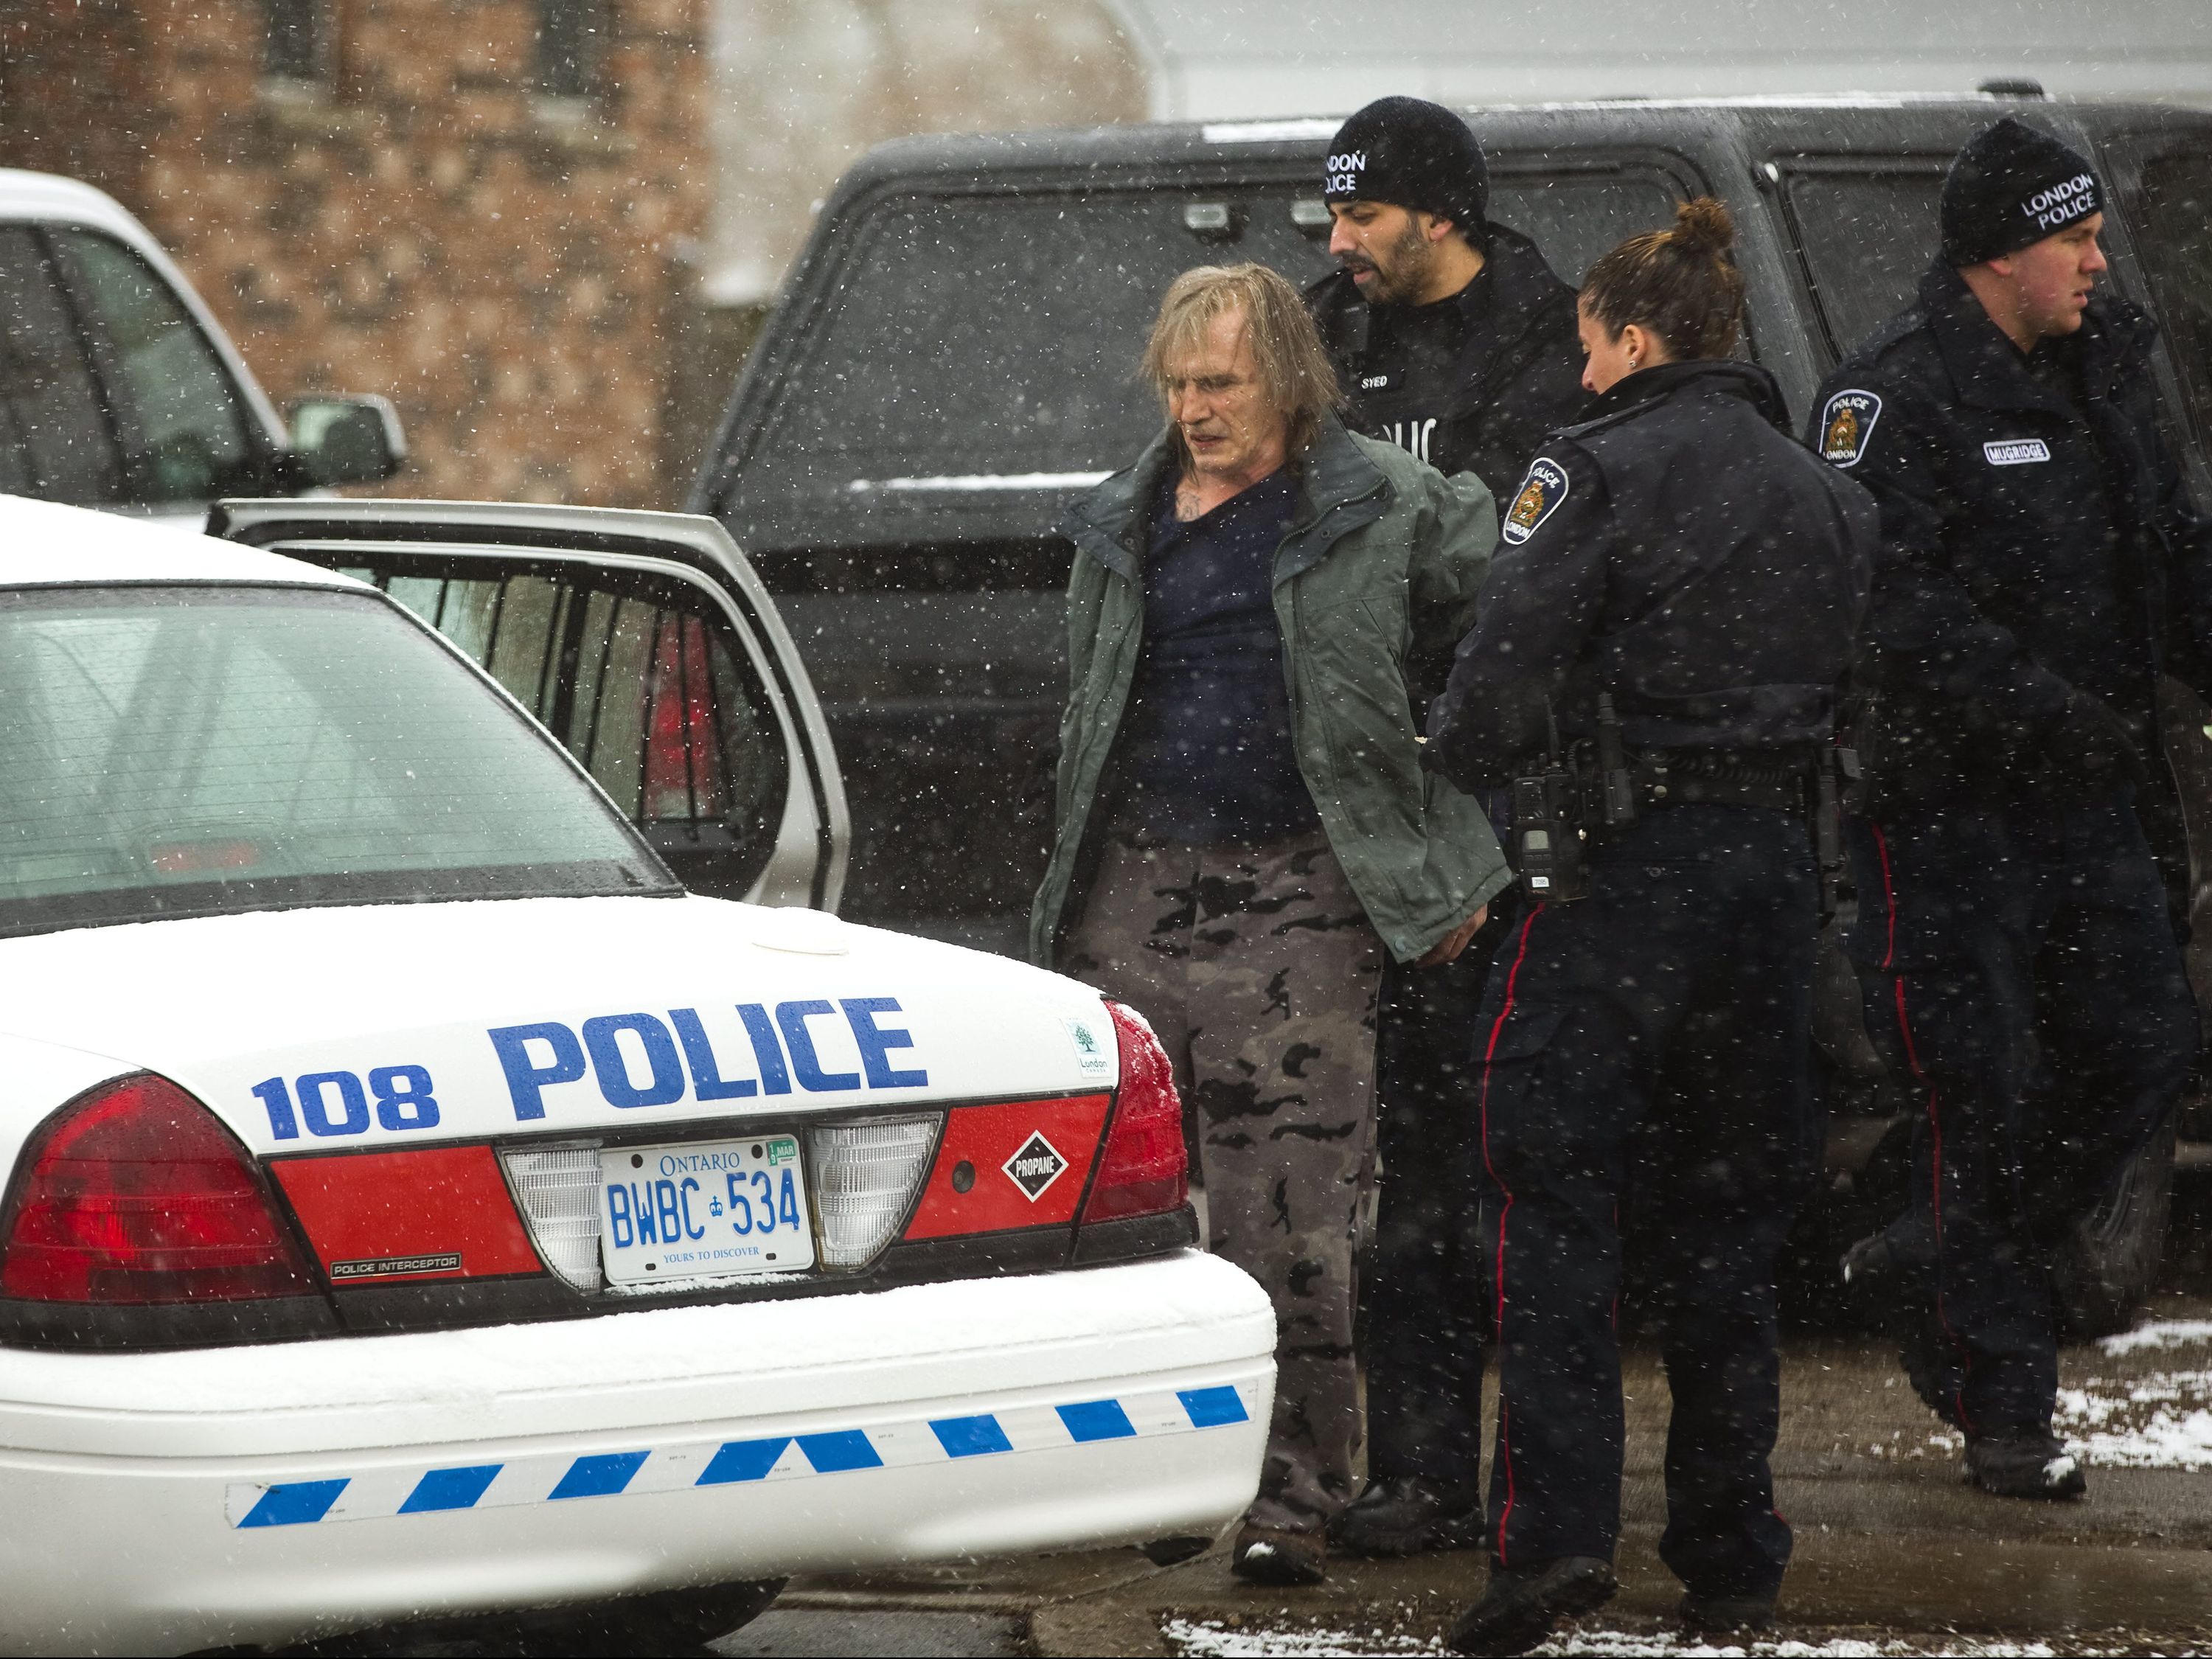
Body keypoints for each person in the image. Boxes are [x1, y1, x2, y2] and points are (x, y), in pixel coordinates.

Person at [1426, 200, 1877, 1654]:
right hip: (1769, 878)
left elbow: (1502, 677)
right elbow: (1861, 692)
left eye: (1587, 346)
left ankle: (1553, 1544)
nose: (1580, 373)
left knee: (1552, 1205)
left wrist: (1460, 754)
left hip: (1621, 878)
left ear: (1626, 337)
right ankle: (1732, 1548)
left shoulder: (1591, 471)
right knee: (1733, 1226)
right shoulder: (1822, 490)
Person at [1030, 262, 1508, 1586]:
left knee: (1291, 1214)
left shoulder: (1391, 505)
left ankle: (1292, 1497)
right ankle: (1160, 1476)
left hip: (1303, 894)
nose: (1195, 407)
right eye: (1180, 383)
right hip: (1130, 888)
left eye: (1222, 381)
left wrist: (1458, 830)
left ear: (1288, 378)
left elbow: (1525, 628)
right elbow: (1084, 716)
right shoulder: (1119, 525)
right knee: (1127, 1218)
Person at [1811, 117, 2211, 1500]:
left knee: (2147, 1050)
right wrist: (2045, 707)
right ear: (1998, 254)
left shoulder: (2106, 375)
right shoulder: (1893, 400)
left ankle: (1922, 1248)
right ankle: (2005, 1408)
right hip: (1950, 816)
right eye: (2076, 238)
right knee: (1982, 1095)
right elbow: (1889, 608)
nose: (2101, 263)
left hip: (2093, 809)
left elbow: (2170, 558)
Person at [1304, 95, 1591, 1561]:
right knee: (1373, 1156)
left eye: (1362, 216)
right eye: (1334, 215)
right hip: (1343, 787)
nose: (1339, 240)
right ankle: (1406, 1472)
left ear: (1443, 214)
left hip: (1483, 796)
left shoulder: (1545, 340)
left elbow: (1519, 567)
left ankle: (1528, 1485)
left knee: (1481, 1156)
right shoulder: (1321, 335)